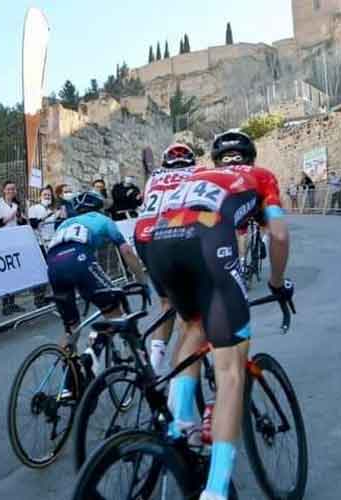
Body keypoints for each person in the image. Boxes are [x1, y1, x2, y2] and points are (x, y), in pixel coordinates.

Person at [143, 130, 293, 500]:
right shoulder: (261, 177)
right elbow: (278, 234)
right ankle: (215, 491)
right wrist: (276, 283)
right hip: (204, 242)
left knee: (192, 324)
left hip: (158, 242)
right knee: (230, 374)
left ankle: (179, 426)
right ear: (251, 157)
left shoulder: (198, 177)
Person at [46, 191, 147, 379]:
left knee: (71, 329)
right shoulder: (103, 219)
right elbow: (127, 252)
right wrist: (142, 281)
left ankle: (70, 382)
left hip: (53, 266)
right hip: (79, 259)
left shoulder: (65, 224)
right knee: (113, 311)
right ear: (99, 208)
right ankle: (92, 355)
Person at [134, 143, 198, 376]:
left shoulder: (153, 178)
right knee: (191, 311)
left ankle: (154, 365)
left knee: (167, 303)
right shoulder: (197, 174)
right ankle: (181, 370)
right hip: (173, 234)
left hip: (143, 235)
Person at [0, 180, 27, 315]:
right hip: (1, 242)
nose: (11, 191)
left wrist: (21, 218)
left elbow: (21, 223)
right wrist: (10, 216)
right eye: (8, 189)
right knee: (5, 274)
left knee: (14, 273)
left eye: (13, 189)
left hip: (14, 241)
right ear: (4, 190)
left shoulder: (17, 205)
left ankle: (12, 302)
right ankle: (5, 305)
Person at [28, 185, 59, 307]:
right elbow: (34, 224)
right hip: (40, 243)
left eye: (49, 195)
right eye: (45, 195)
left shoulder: (54, 209)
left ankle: (52, 295)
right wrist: (49, 215)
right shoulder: (34, 208)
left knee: (53, 270)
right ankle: (39, 298)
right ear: (40, 196)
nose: (47, 197)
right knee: (41, 271)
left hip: (53, 243)